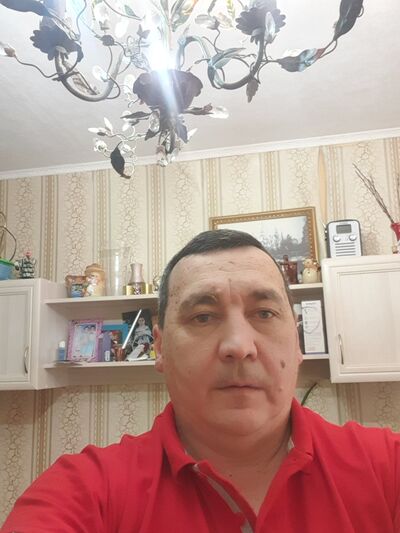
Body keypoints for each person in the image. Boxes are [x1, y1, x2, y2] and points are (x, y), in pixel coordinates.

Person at [1, 229, 399, 532]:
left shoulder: (387, 468)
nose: (239, 346)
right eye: (203, 317)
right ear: (160, 347)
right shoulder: (86, 491)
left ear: (297, 341)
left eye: (264, 313)